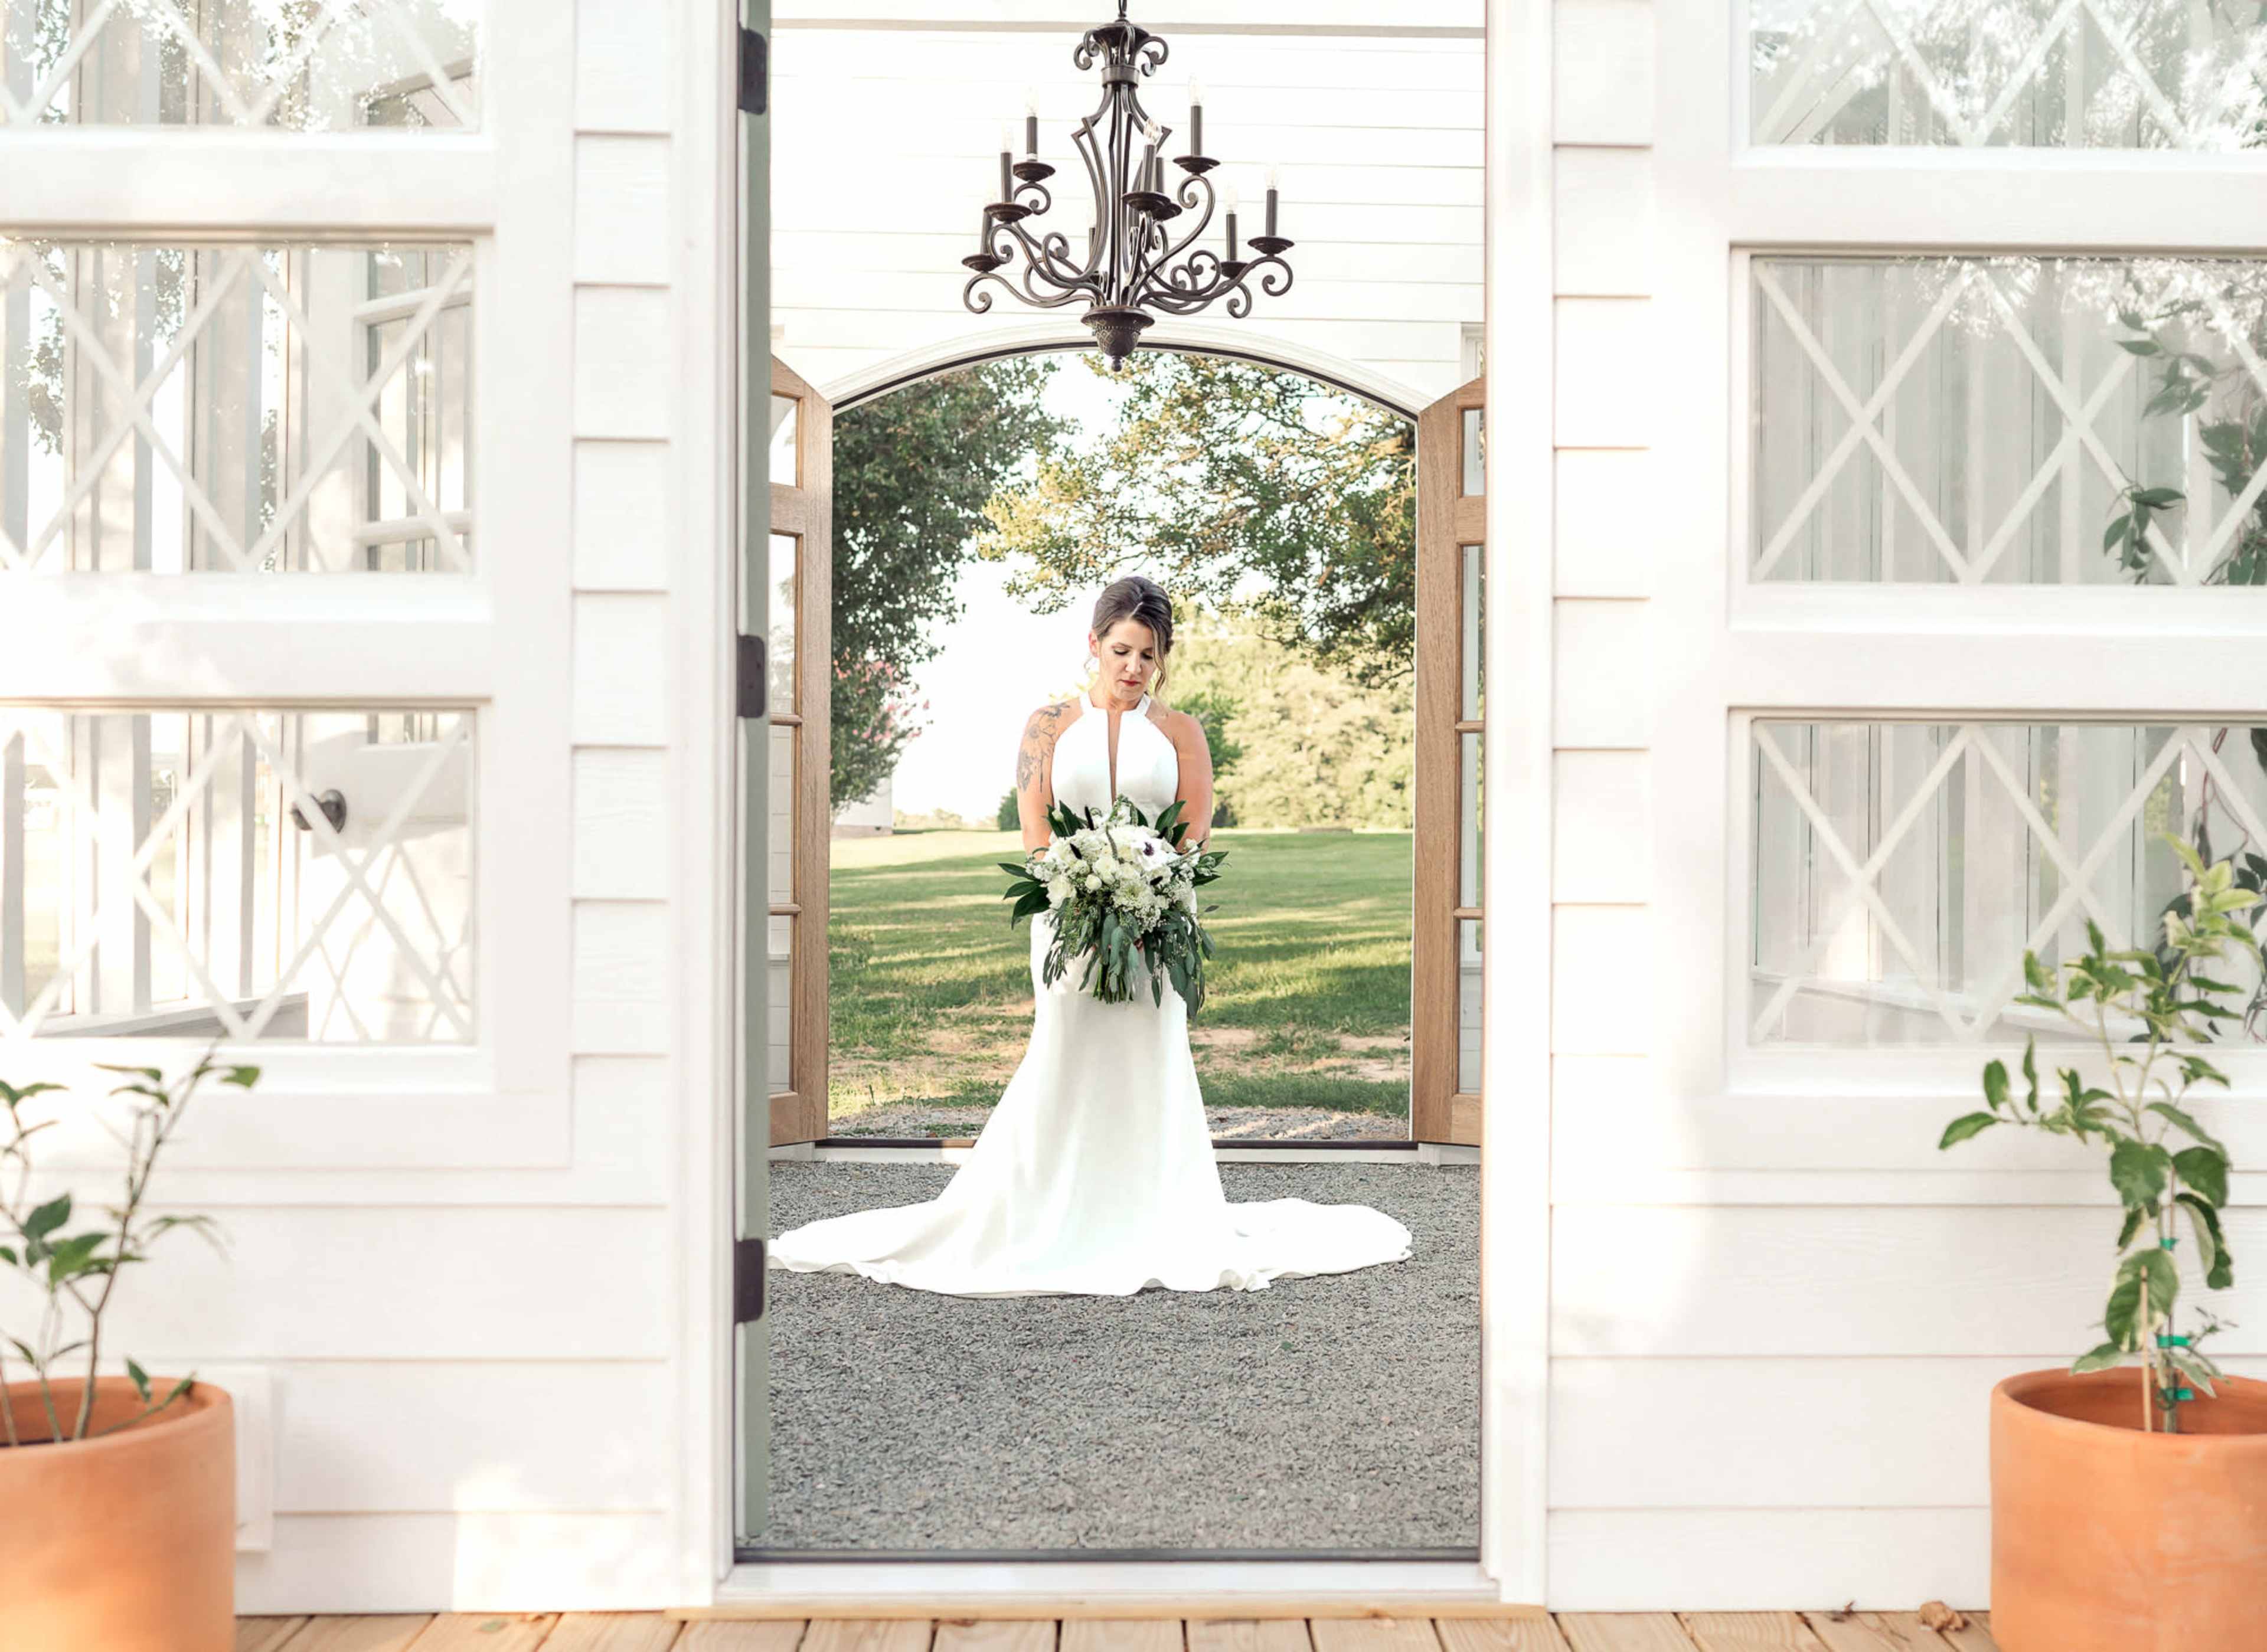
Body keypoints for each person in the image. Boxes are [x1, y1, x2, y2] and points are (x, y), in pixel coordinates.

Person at [770, 574, 1412, 1296]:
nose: (1133, 668)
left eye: (1148, 654)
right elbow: (1037, 831)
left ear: (1163, 657)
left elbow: (1194, 833)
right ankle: (1047, 1211)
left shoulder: (1181, 732)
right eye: (1121, 650)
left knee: (1149, 1055)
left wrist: (1150, 897)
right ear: (1094, 645)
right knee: (1067, 1048)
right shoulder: (1047, 725)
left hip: (1158, 916)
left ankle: (1151, 1213)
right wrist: (1081, 890)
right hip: (1066, 915)